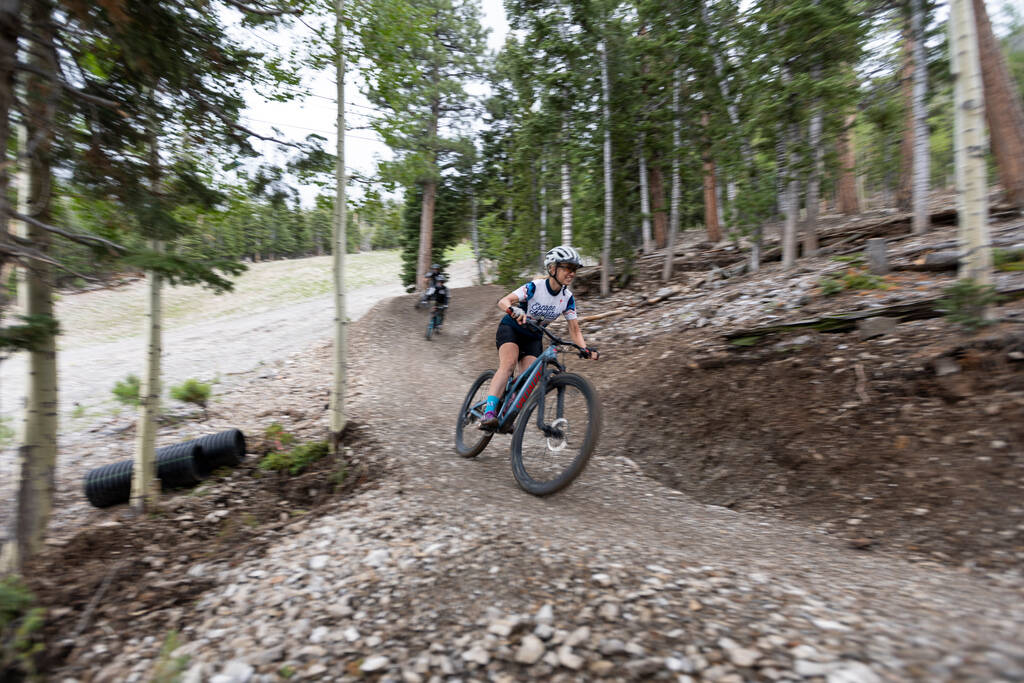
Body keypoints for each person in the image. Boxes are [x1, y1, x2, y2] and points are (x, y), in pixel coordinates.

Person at [479, 245, 598, 430]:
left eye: (574, 269)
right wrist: (514, 310)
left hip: (533, 336)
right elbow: (503, 301)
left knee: (527, 381)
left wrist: (585, 348)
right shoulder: (535, 287)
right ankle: (489, 412)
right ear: (552, 268)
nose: (572, 273)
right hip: (512, 329)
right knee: (508, 365)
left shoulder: (567, 298)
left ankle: (507, 411)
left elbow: (575, 330)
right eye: (568, 267)